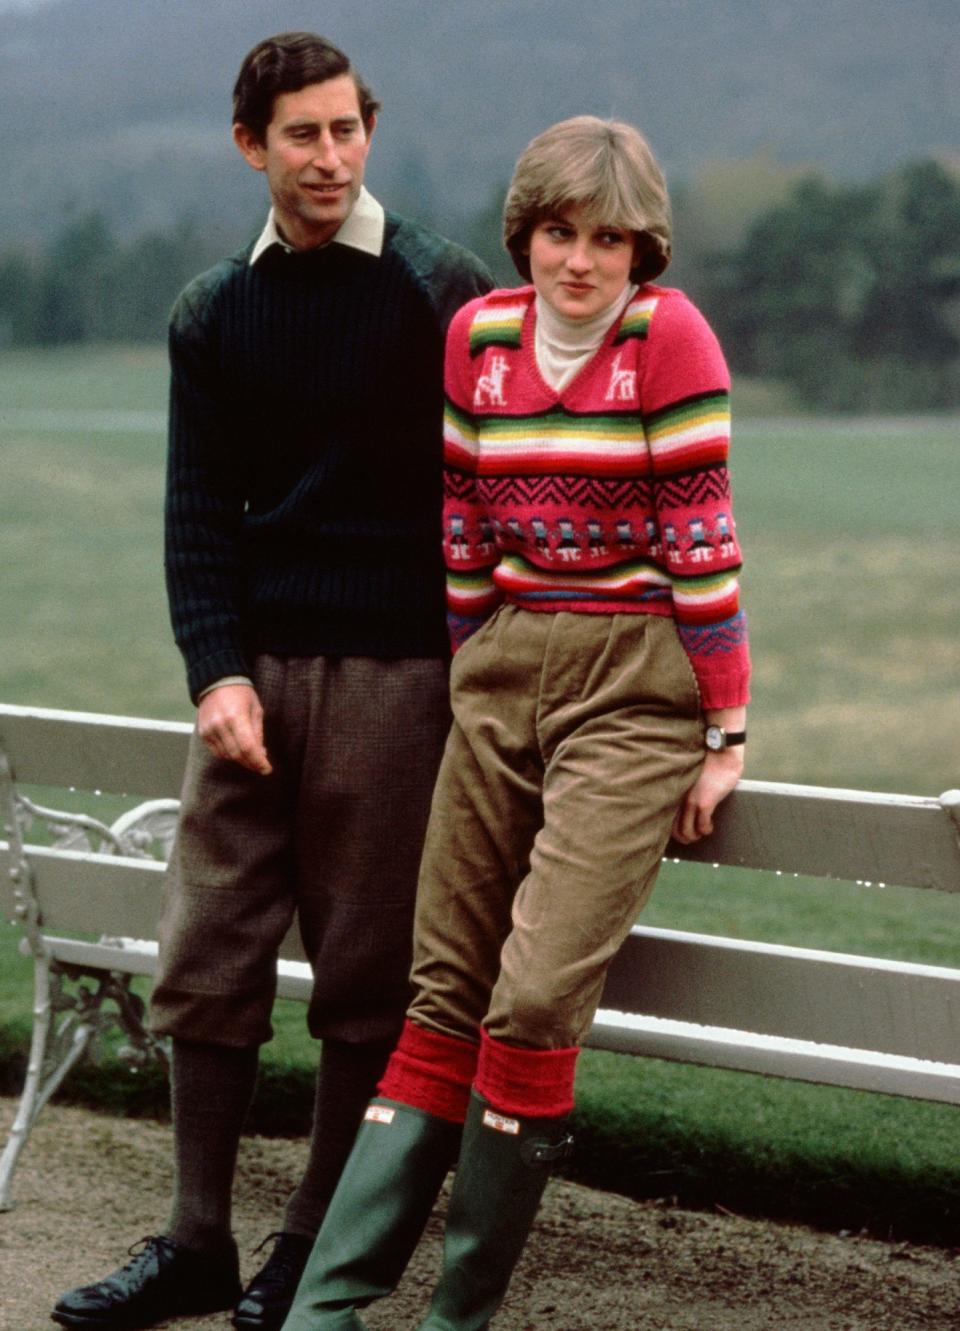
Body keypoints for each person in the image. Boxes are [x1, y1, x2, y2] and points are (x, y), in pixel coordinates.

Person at [51, 31, 491, 1331]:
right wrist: (215, 673)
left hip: (399, 679)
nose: (329, 155)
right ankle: (195, 1238)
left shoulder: (437, 287)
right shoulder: (213, 312)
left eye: (347, 128)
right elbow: (199, 516)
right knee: (207, 947)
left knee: (365, 972)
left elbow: (486, 492)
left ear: (369, 131)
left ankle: (309, 1249)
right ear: (251, 144)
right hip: (253, 686)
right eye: (301, 133)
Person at [280, 115, 751, 1331]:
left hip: (634, 681)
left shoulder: (668, 336)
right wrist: (477, 666)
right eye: (557, 232)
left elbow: (702, 545)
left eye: (608, 238)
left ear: (643, 246)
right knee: (441, 985)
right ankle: (326, 1309)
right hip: (499, 669)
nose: (580, 262)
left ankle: (457, 1314)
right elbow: (463, 530)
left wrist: (726, 724)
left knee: (533, 996)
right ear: (524, 234)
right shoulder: (478, 337)